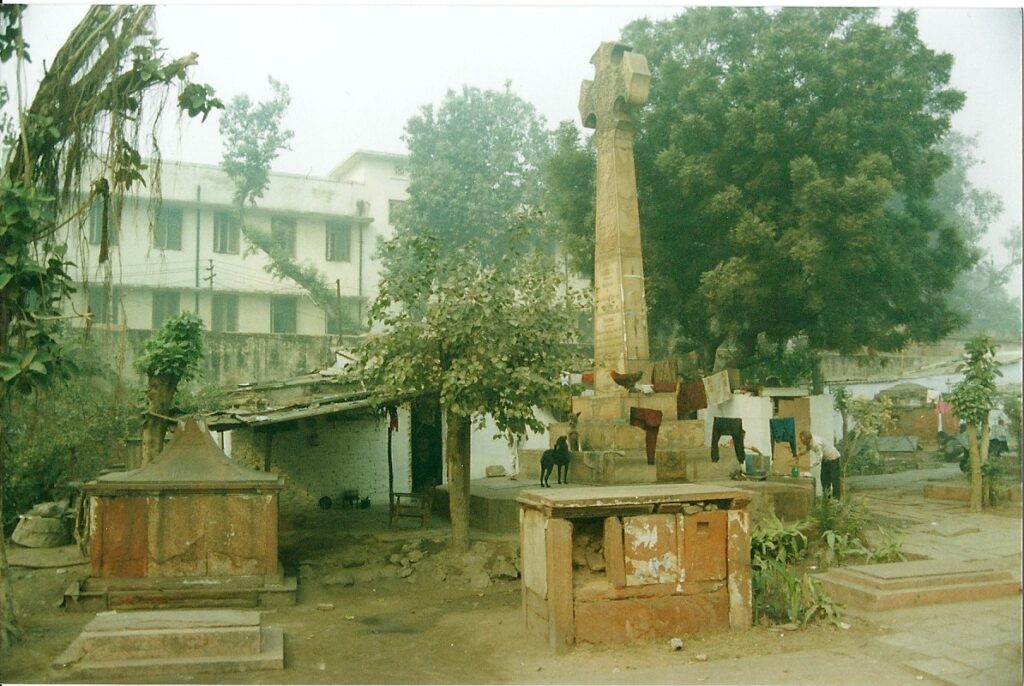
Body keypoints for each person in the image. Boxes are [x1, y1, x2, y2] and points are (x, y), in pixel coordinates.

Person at [799, 430, 841, 498]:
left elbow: (819, 459)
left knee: (835, 480)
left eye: (803, 441)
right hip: (826, 459)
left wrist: (809, 466)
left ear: (807, 439)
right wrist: (800, 454)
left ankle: (836, 501)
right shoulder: (810, 440)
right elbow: (808, 447)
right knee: (824, 480)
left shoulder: (817, 444)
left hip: (833, 459)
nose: (801, 442)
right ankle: (826, 500)